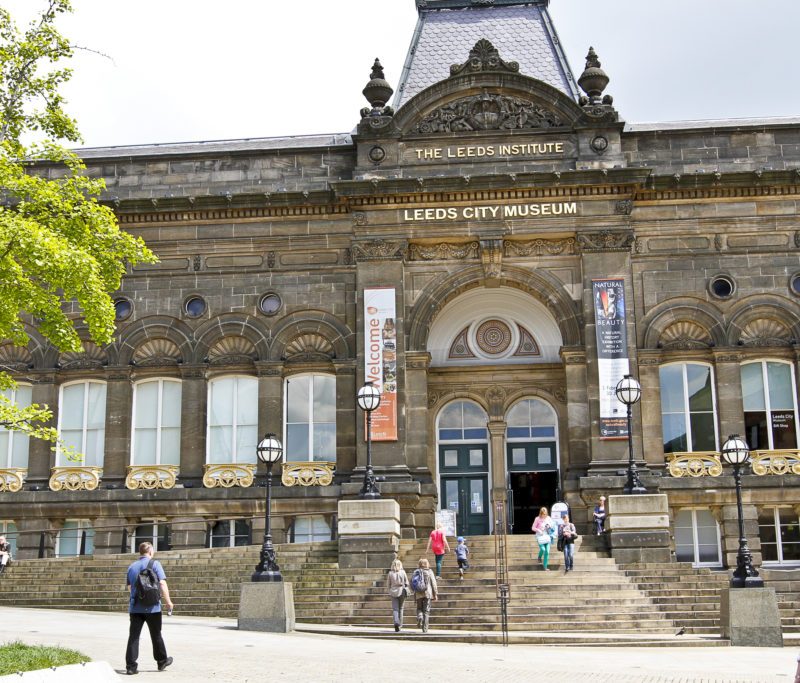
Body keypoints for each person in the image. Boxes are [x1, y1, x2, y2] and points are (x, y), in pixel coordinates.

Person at [125, 542, 174, 675]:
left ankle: (131, 666)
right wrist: (168, 601)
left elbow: (130, 588)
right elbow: (162, 584)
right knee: (156, 635)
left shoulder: (131, 567)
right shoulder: (155, 564)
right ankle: (162, 661)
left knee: (134, 636)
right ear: (151, 551)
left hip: (135, 608)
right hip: (153, 607)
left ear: (140, 552)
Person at [412, 557, 438, 633]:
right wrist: (435, 594)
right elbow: (434, 583)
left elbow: (412, 583)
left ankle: (420, 616)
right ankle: (425, 628)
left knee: (419, 608)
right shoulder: (430, 572)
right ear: (427, 564)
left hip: (418, 593)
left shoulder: (416, 571)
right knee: (426, 611)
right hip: (427, 593)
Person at [386, 559, 409, 632]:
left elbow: (388, 584)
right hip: (401, 591)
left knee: (395, 609)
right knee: (401, 608)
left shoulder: (390, 573)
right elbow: (407, 582)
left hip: (393, 591)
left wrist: (390, 590)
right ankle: (400, 625)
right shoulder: (403, 572)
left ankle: (396, 622)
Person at [532, 507, 553, 571]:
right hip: (540, 537)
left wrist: (549, 526)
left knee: (547, 551)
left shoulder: (548, 518)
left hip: (547, 536)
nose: (543, 515)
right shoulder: (537, 519)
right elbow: (533, 528)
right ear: (540, 513)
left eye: (545, 514)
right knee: (543, 549)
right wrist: (538, 530)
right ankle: (539, 557)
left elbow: (552, 525)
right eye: (542, 514)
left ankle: (545, 567)